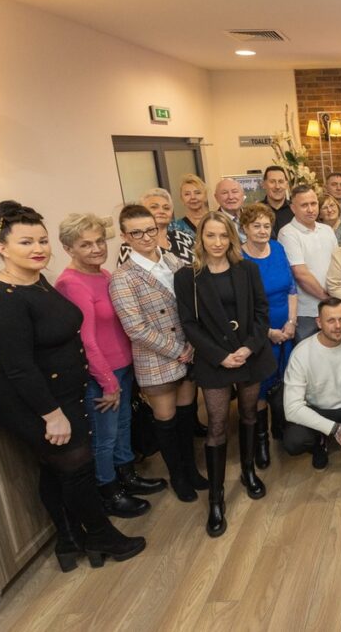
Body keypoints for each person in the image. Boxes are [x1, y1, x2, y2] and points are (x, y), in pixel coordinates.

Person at [0, 201, 145, 571]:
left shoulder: (37, 283)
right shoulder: (2, 300)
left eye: (41, 240)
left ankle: (70, 541)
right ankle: (101, 535)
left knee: (59, 472)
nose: (38, 248)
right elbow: (19, 368)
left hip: (64, 395)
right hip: (38, 404)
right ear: (3, 248)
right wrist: (52, 416)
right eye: (26, 242)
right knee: (76, 468)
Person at [175, 213, 276, 537]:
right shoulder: (187, 276)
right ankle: (216, 499)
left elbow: (262, 312)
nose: (217, 242)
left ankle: (248, 472)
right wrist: (220, 356)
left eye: (223, 236)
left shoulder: (247, 269)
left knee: (249, 413)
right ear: (200, 239)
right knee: (217, 424)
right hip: (214, 359)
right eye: (210, 236)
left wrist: (248, 348)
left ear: (231, 238)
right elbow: (189, 323)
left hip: (249, 354)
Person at [57, 214, 164, 519]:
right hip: (101, 374)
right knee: (104, 437)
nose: (95, 248)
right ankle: (108, 491)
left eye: (100, 241)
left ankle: (127, 476)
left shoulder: (104, 275)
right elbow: (86, 340)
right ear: (68, 248)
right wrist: (107, 382)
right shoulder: (72, 283)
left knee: (123, 427)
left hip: (124, 366)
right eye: (85, 244)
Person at [110, 204, 205, 503]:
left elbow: (192, 305)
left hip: (188, 351)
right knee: (166, 420)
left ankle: (191, 468)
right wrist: (178, 349)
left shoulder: (174, 262)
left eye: (150, 229)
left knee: (187, 415)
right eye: (136, 232)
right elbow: (135, 328)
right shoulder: (123, 277)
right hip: (157, 358)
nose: (146, 237)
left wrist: (191, 345)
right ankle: (177, 475)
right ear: (125, 236)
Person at [240, 203, 298, 468]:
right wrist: (268, 333)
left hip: (286, 327)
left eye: (266, 226)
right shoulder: (239, 259)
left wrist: (291, 323)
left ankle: (282, 428)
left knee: (285, 381)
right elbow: (241, 306)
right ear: (244, 228)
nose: (263, 231)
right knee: (261, 388)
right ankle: (261, 440)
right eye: (256, 226)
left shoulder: (278, 248)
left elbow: (291, 288)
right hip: (257, 333)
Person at [281, 298, 341, 467]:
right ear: (319, 322)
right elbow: (292, 409)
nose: (338, 326)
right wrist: (334, 429)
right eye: (331, 320)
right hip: (318, 409)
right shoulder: (302, 353)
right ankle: (320, 440)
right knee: (294, 441)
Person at [277, 185, 339, 342]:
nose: (311, 209)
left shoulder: (327, 230)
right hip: (306, 311)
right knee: (308, 359)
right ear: (293, 208)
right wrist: (327, 299)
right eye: (304, 205)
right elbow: (300, 273)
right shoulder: (288, 233)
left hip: (332, 307)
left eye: (313, 203)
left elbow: (339, 265)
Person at [118, 187, 196, 266]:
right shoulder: (131, 245)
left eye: (166, 208)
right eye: (154, 207)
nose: (161, 211)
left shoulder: (183, 237)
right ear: (142, 212)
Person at [259, 166, 294, 236]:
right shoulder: (256, 211)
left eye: (281, 182)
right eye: (272, 182)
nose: (277, 186)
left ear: (286, 185)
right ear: (264, 184)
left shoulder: (295, 210)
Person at [214, 177, 247, 242]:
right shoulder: (212, 223)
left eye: (235, 192)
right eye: (224, 193)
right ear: (216, 197)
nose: (230, 197)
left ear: (243, 194)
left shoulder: (254, 217)